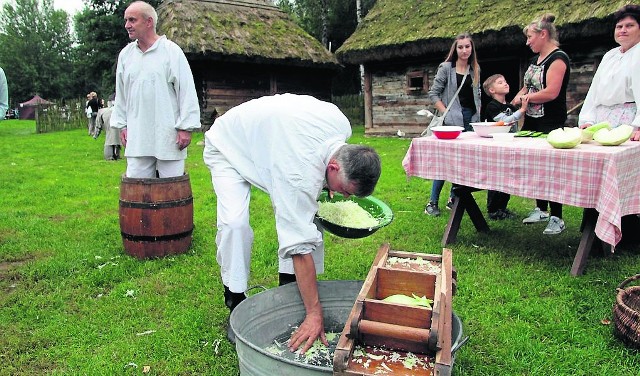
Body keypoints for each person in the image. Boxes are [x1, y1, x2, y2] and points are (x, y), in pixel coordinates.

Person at [202, 93, 381, 353]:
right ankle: (235, 299)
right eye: (344, 190)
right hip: (229, 145)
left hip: (274, 144)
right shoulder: (299, 174)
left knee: (307, 214)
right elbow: (298, 246)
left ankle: (289, 292)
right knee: (235, 224)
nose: (343, 196)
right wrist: (315, 314)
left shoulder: (341, 125)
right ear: (332, 167)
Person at [110, 1, 201, 179]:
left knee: (172, 189)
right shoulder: (126, 55)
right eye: (126, 20)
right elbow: (121, 94)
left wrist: (185, 128)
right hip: (137, 137)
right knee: (137, 189)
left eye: (132, 20)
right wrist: (123, 126)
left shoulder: (171, 52)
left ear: (149, 22)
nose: (127, 25)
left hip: (169, 136)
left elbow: (186, 91)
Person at [511, 13, 571, 235]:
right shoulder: (534, 61)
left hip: (551, 122)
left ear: (543, 34)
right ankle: (540, 208)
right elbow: (527, 87)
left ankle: (557, 216)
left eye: (530, 37)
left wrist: (525, 99)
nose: (527, 42)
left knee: (551, 168)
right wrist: (515, 100)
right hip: (532, 120)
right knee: (534, 164)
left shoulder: (558, 59)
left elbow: (551, 92)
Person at [424, 33, 482, 217]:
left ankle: (453, 198)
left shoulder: (475, 69)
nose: (464, 50)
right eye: (461, 47)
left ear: (472, 48)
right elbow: (434, 94)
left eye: (467, 46)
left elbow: (476, 96)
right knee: (444, 161)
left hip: (471, 119)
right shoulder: (446, 68)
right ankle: (432, 202)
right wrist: (446, 112)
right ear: (455, 49)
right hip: (451, 121)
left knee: (463, 161)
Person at [578, 4, 640, 141]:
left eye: (629, 26)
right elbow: (594, 91)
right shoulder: (610, 55)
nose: (623, 30)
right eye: (619, 26)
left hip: (630, 123)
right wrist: (587, 119)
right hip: (601, 123)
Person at [482, 74, 529, 220]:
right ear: (492, 90)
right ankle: (493, 210)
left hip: (508, 145)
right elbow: (503, 122)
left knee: (507, 178)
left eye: (505, 81)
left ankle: (502, 207)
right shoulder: (492, 106)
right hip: (496, 147)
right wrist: (521, 111)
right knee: (496, 177)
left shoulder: (508, 106)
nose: (505, 84)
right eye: (500, 82)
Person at [95, 94, 121, 161]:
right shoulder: (121, 110)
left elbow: (98, 124)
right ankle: (115, 154)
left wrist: (96, 134)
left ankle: (110, 156)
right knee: (116, 137)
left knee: (110, 138)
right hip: (118, 126)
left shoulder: (102, 111)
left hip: (110, 127)